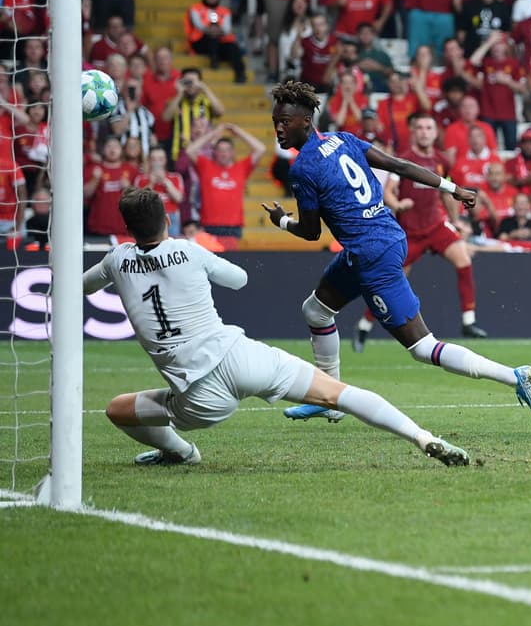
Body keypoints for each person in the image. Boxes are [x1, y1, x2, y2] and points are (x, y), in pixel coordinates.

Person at [86, 189, 470, 468]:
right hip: (241, 357)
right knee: (341, 395)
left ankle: (180, 451)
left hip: (197, 396)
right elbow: (238, 279)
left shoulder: (116, 261)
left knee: (117, 409)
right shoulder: (187, 249)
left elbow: (79, 285)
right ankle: (423, 437)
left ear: (127, 228)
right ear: (166, 219)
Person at [260, 82, 531, 424]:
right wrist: (454, 189)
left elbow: (310, 232)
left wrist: (281, 221)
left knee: (422, 347)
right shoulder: (344, 140)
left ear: (305, 121)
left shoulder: (303, 169)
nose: (278, 128)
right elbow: (400, 165)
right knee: (317, 310)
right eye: (276, 120)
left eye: (285, 122)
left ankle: (514, 375)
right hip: (386, 237)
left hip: (371, 254)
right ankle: (329, 395)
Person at [352, 114, 488, 347]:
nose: (425, 132)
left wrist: (455, 221)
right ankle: (365, 324)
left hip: (435, 227)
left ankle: (468, 321)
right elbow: (388, 191)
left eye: (429, 128)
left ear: (435, 133)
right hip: (408, 233)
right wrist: (397, 205)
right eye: (420, 128)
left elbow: (446, 193)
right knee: (392, 281)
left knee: (463, 259)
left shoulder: (440, 160)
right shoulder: (404, 159)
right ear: (414, 132)